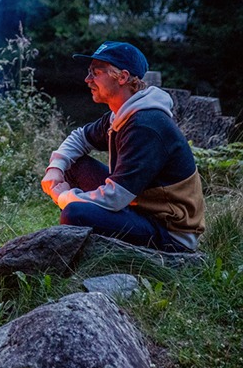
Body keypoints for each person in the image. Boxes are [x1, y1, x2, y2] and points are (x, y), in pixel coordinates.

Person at [41, 41, 205, 252]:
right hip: (139, 207)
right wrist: (55, 168)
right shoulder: (121, 114)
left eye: (95, 72)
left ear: (123, 77)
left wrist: (63, 197)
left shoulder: (146, 125)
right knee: (71, 164)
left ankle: (82, 252)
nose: (87, 79)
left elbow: (115, 197)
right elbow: (80, 137)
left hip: (169, 232)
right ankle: (88, 239)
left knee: (75, 213)